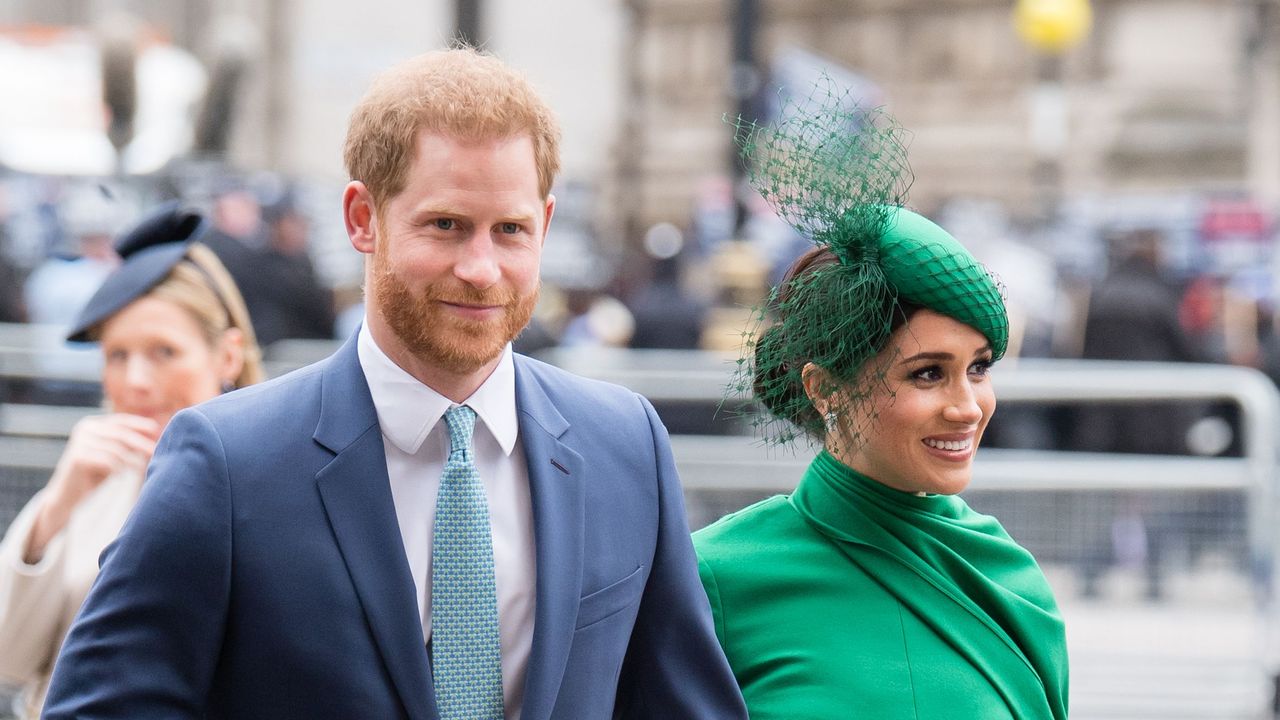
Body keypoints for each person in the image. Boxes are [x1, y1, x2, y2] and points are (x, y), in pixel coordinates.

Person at [44, 48, 746, 720]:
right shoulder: (226, 463)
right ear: (361, 218)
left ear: (547, 225)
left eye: (510, 230)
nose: (481, 267)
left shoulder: (624, 444)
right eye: (445, 225)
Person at [691, 95, 1069, 719]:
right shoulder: (718, 578)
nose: (968, 406)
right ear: (824, 387)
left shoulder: (1010, 579)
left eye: (978, 368)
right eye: (928, 374)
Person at [0, 202, 263, 719]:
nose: (136, 381)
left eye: (164, 352)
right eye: (117, 356)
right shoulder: (96, 476)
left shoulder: (274, 482)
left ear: (227, 357)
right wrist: (59, 503)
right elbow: (9, 657)